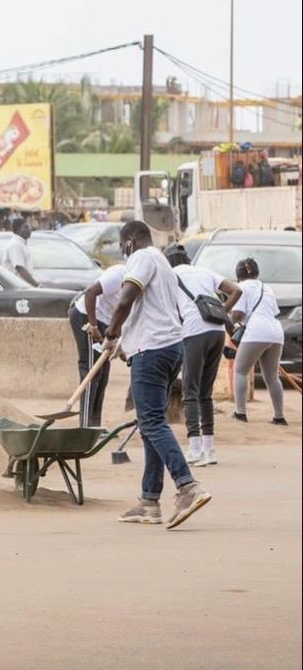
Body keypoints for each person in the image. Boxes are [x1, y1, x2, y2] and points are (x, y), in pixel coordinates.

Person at [104, 221, 211, 529]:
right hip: (167, 346)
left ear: (128, 241)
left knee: (150, 422)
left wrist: (111, 332)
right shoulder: (162, 261)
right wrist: (124, 342)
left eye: (121, 245)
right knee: (151, 423)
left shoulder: (141, 257)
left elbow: (127, 299)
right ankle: (149, 501)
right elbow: (149, 310)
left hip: (152, 350)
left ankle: (187, 485)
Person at [167, 244, 241, 463]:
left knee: (190, 390)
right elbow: (236, 290)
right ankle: (209, 450)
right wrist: (219, 312)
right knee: (205, 393)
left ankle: (195, 449)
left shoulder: (171, 275)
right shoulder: (204, 271)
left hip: (194, 332)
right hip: (217, 330)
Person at [230, 257, 287, 425]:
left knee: (240, 371)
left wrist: (226, 321)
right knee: (271, 377)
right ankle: (279, 416)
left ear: (238, 275)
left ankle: (240, 413)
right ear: (258, 273)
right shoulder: (266, 287)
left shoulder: (239, 287)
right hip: (276, 333)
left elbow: (237, 314)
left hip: (256, 332)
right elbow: (273, 312)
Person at [73, 263, 127, 428]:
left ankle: (95, 425)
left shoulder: (139, 286)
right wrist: (94, 326)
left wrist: (121, 347)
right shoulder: (118, 275)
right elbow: (90, 293)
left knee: (102, 373)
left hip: (106, 324)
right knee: (91, 369)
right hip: (86, 317)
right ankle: (86, 425)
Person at [2, 219, 39, 286]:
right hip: (18, 285)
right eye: (26, 227)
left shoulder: (21, 243)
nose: (29, 230)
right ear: (18, 229)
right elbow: (19, 267)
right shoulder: (15, 244)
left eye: (29, 227)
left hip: (23, 285)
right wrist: (36, 285)